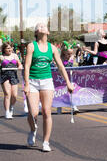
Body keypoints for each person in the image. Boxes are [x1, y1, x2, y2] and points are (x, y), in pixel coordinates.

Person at [24, 23, 74, 152]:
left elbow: (61, 66)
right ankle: (33, 129)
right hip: (33, 81)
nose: (42, 26)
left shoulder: (52, 48)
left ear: (48, 32)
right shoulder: (31, 46)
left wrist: (68, 83)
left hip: (47, 82)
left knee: (46, 111)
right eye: (39, 26)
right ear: (36, 32)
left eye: (44, 26)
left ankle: (46, 142)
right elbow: (27, 66)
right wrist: (27, 84)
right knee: (33, 112)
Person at [0, 42, 23, 119]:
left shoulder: (15, 56)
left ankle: (11, 107)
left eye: (10, 48)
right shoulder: (1, 57)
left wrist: (20, 66)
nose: (9, 49)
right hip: (5, 76)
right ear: (4, 49)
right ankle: (7, 112)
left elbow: (20, 64)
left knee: (15, 95)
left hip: (14, 76)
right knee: (7, 94)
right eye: (8, 48)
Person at [60, 42, 80, 113]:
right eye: (68, 54)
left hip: (71, 77)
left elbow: (74, 66)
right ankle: (59, 107)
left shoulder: (71, 57)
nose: (70, 55)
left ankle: (74, 107)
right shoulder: (61, 58)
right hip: (62, 78)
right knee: (60, 92)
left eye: (71, 53)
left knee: (72, 92)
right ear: (64, 52)